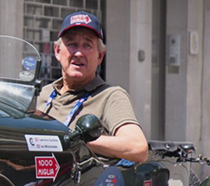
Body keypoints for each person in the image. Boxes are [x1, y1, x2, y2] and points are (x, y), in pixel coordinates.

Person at [37, 11, 149, 164]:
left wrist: (76, 141)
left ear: (100, 56)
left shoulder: (110, 96)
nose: (78, 53)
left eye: (87, 45)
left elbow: (137, 148)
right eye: (72, 44)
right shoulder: (44, 93)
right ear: (57, 51)